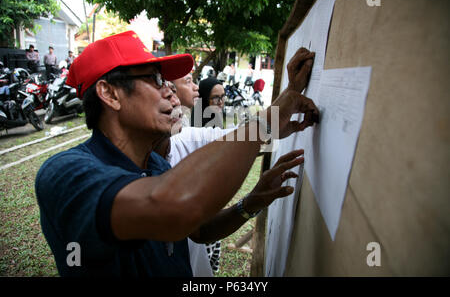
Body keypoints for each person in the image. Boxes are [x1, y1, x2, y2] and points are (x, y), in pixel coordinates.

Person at [35, 30, 318, 277]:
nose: (170, 92)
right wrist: (264, 123)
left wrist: (251, 202)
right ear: (110, 94)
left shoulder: (156, 163)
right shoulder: (66, 173)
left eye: (169, 83)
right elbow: (174, 209)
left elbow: (198, 230)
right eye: (156, 79)